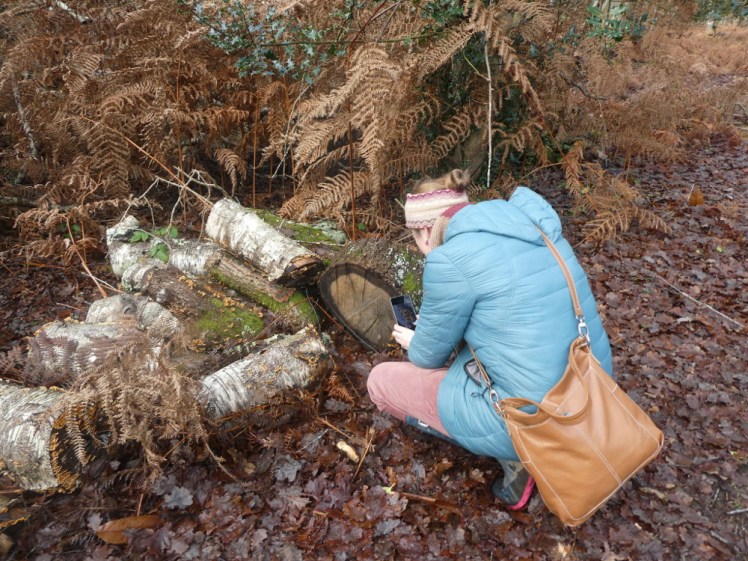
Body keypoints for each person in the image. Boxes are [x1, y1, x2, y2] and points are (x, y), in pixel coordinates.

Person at [367, 169, 613, 510]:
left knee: (379, 382)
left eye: (414, 239)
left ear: (424, 230)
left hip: (533, 417)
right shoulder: (535, 226)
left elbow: (427, 358)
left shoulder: (449, 259)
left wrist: (415, 341)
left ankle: (517, 456)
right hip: (595, 387)